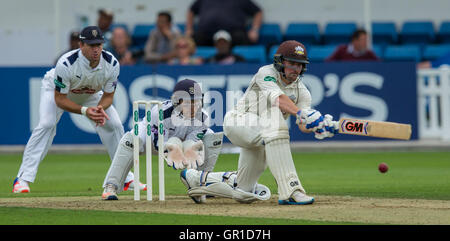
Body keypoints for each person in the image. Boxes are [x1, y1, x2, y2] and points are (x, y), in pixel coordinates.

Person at [180, 40, 340, 205]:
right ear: (280, 62)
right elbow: (278, 99)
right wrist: (302, 113)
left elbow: (303, 123)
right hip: (238, 122)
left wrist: (319, 126)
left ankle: (196, 178)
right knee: (274, 120)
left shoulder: (303, 92)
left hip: (263, 136)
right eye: (292, 63)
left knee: (244, 191)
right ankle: (291, 190)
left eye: (300, 65)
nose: (296, 69)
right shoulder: (266, 73)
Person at [12, 26, 143, 193]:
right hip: (56, 91)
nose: (96, 49)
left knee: (115, 125)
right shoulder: (66, 64)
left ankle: (125, 178)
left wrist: (99, 109)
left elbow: (109, 96)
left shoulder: (111, 63)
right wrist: (84, 111)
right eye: (91, 45)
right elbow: (60, 100)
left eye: (99, 45)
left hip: (91, 94)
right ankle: (22, 179)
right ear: (81, 45)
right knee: (46, 124)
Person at [102, 79, 224, 200]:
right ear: (177, 101)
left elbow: (191, 141)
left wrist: (187, 151)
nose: (193, 107)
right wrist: (171, 149)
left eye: (196, 101)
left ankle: (202, 184)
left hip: (181, 141)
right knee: (131, 139)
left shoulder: (203, 117)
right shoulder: (160, 112)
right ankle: (111, 186)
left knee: (211, 136)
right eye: (188, 102)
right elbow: (158, 143)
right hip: (151, 139)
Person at [185, 0, 263, 46]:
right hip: (206, 35)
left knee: (241, 39)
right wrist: (189, 29)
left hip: (234, 35)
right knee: (192, 41)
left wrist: (255, 30)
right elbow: (191, 11)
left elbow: (258, 12)